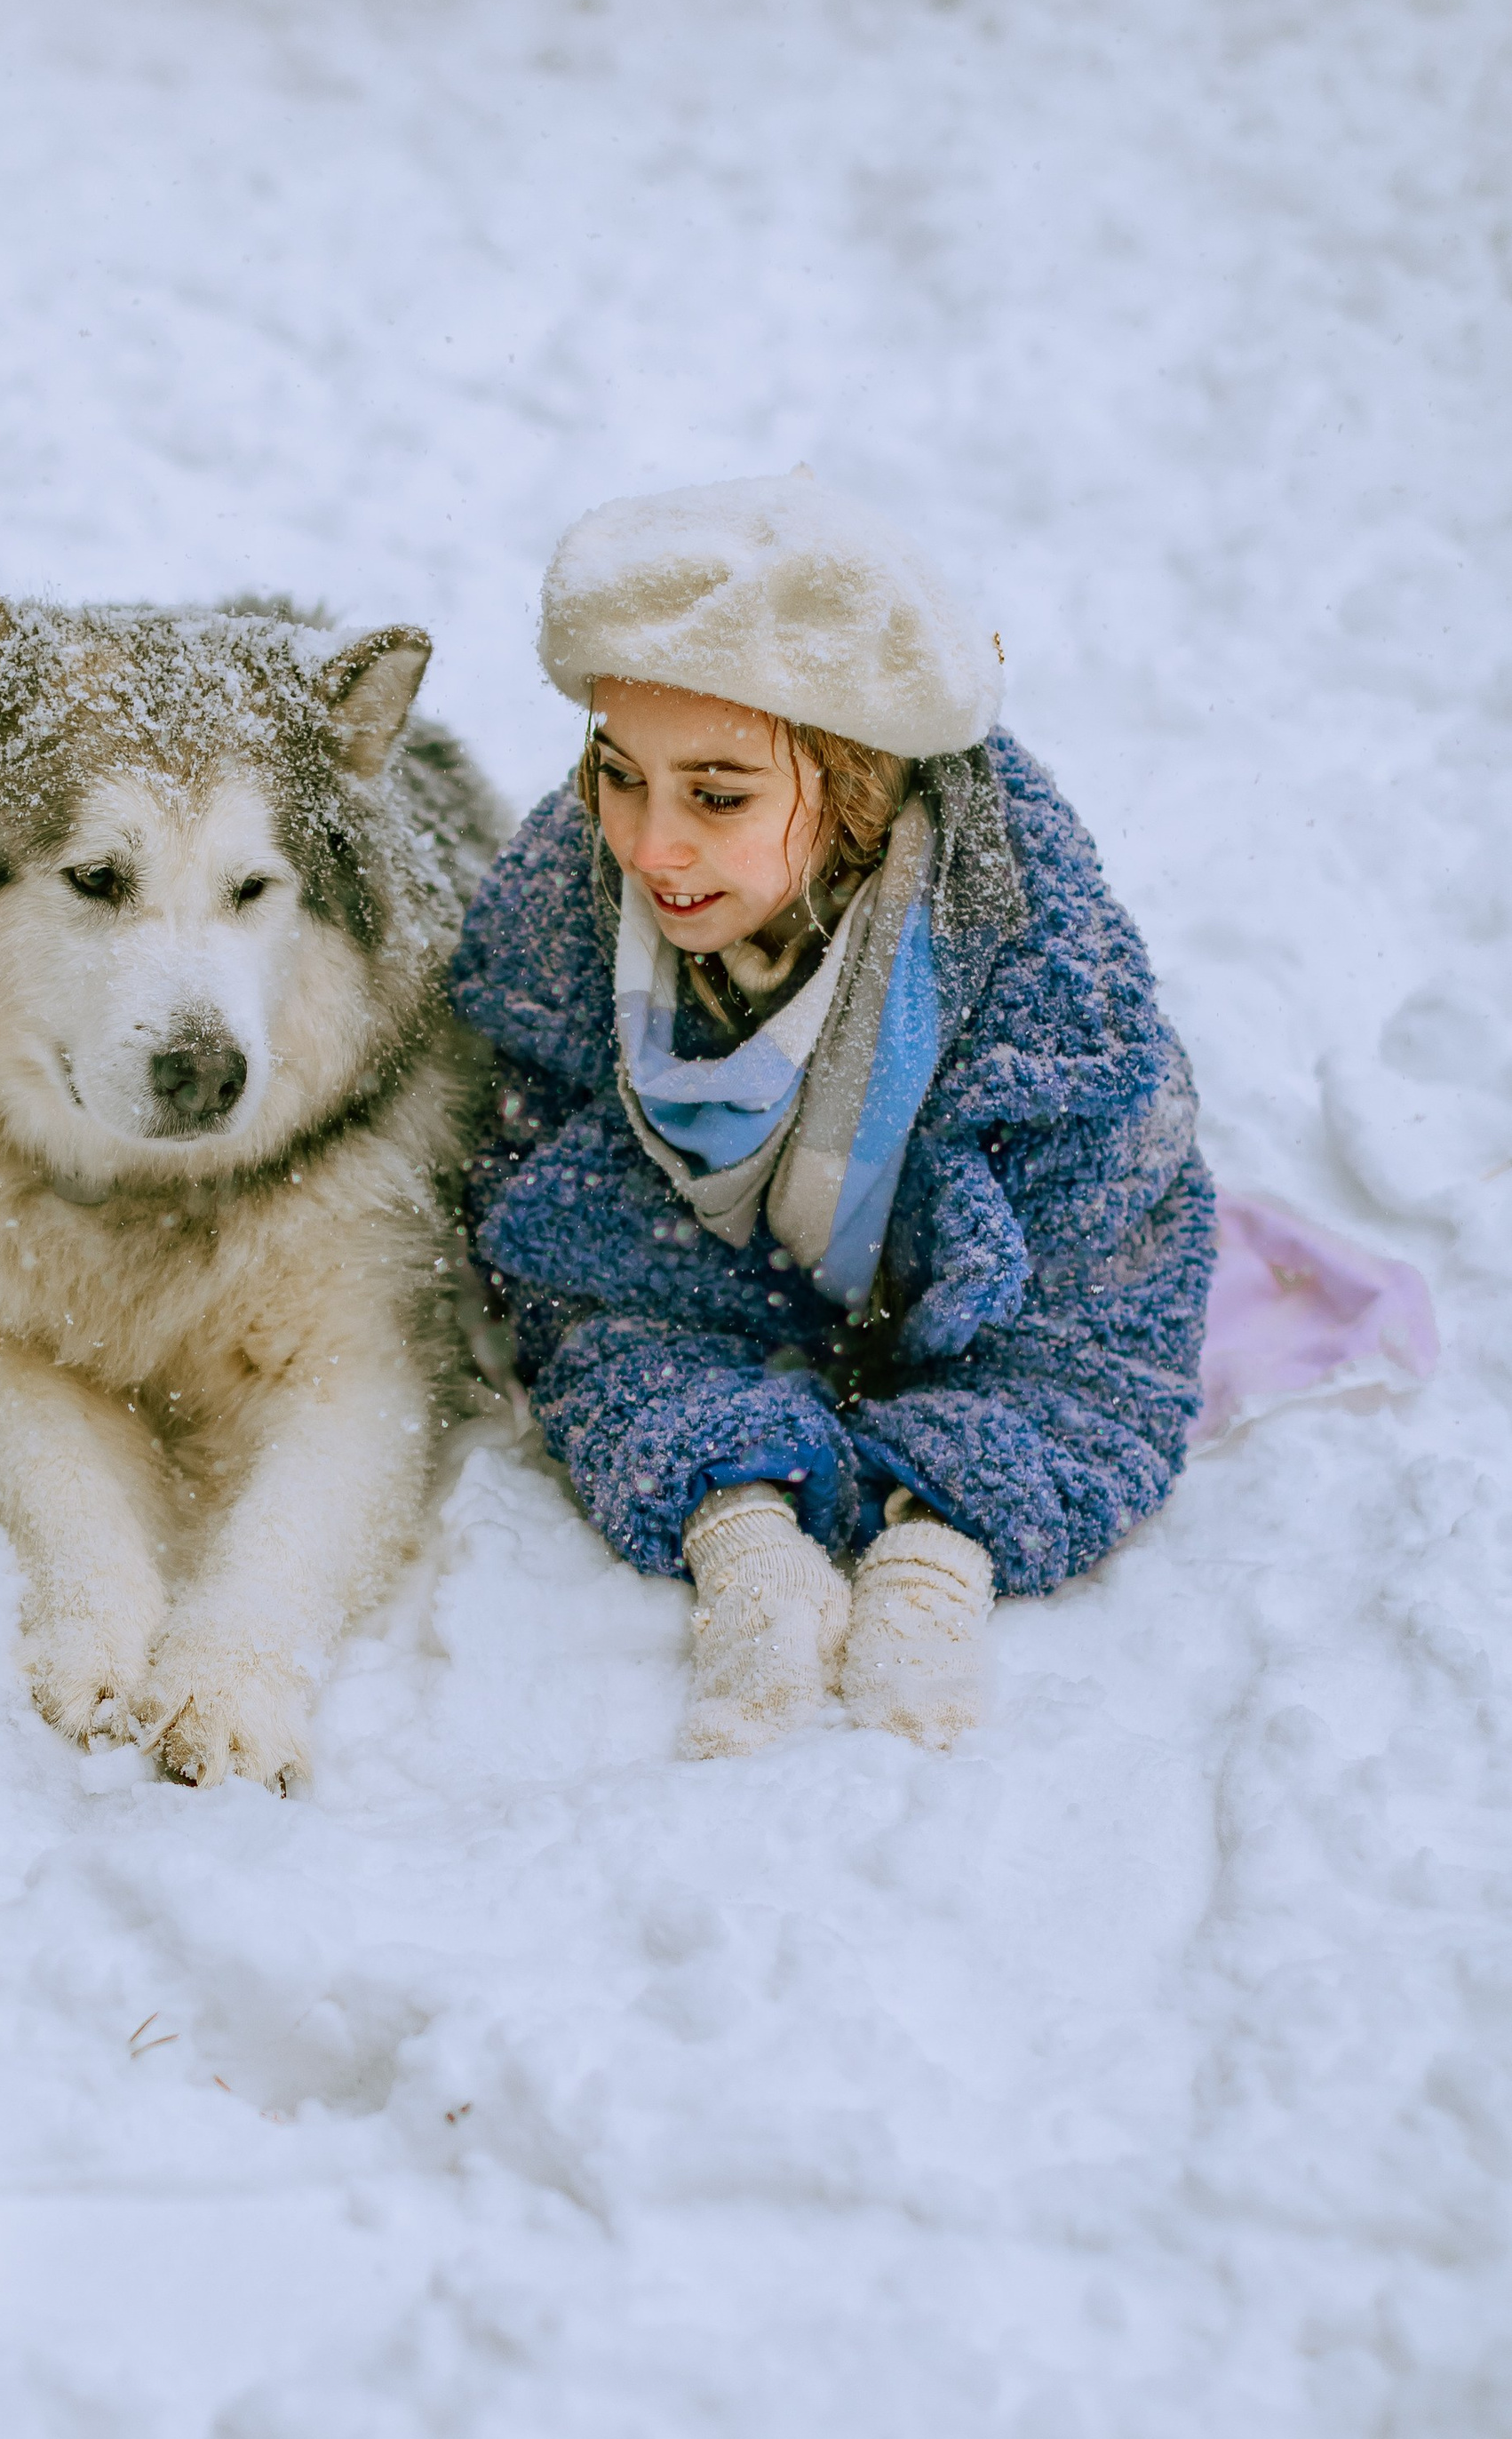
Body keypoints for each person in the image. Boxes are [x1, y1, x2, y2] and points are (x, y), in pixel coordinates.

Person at [450, 472, 1215, 1752]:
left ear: (856, 784)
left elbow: (1103, 1313)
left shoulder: (1043, 982)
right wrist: (738, 1530)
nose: (647, 845)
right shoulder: (561, 927)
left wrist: (940, 1554)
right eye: (617, 774)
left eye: (719, 793)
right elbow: (572, 1263)